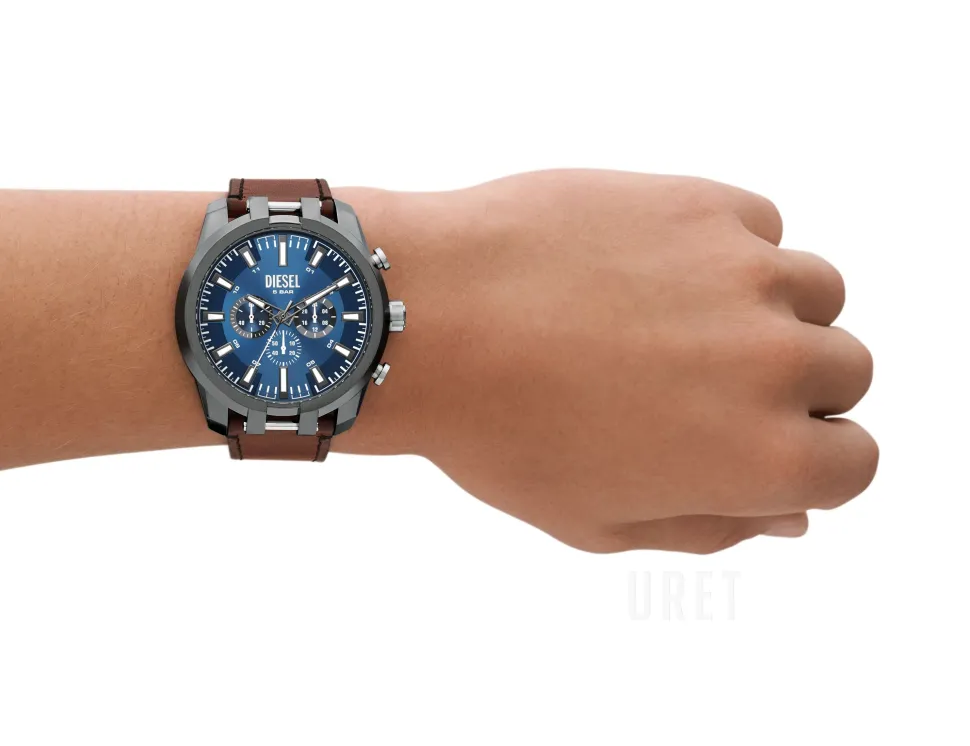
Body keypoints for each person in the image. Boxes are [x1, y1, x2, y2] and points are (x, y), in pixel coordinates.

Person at [0, 169, 876, 554]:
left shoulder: (324, 325)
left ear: (383, 299)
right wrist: (462, 326)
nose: (287, 317)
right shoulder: (339, 335)